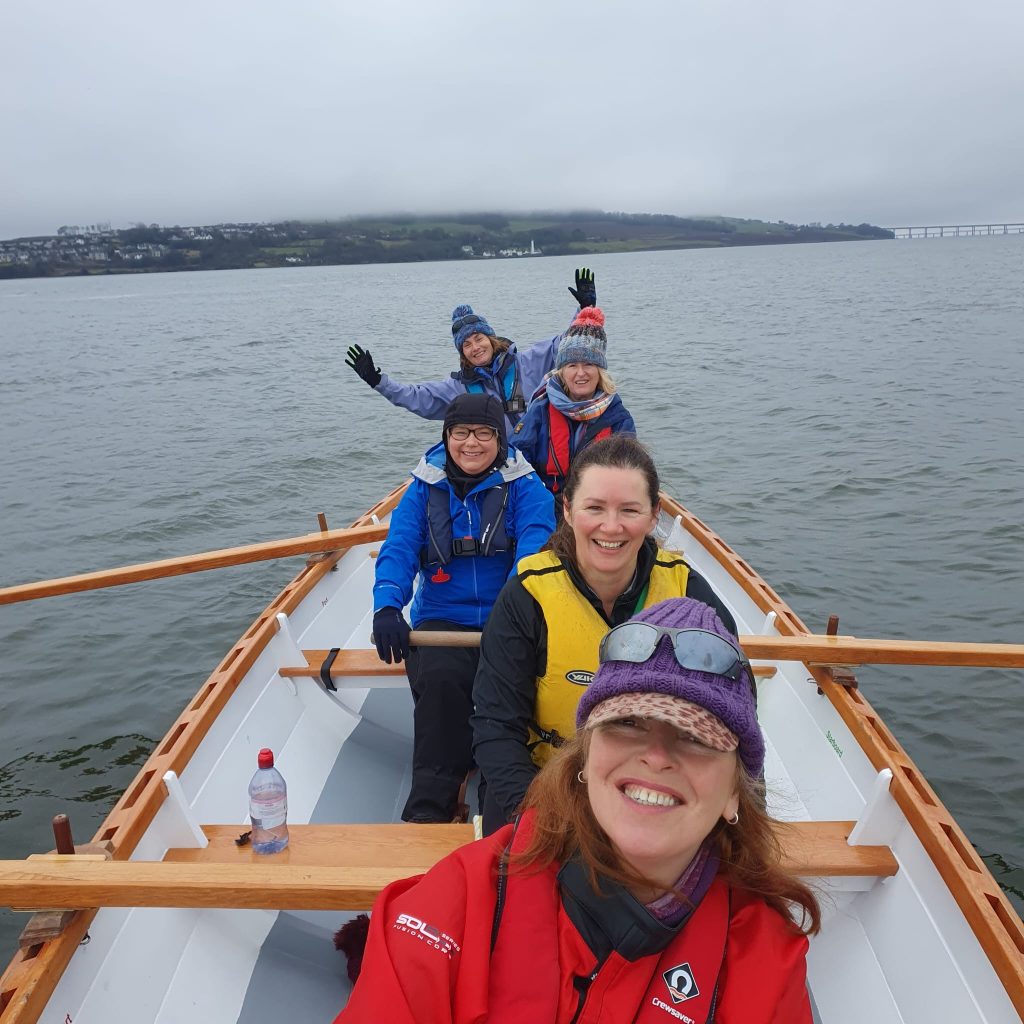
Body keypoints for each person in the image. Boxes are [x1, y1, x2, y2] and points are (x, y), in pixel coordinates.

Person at [335, 598, 820, 1023]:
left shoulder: (764, 963)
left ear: (736, 793)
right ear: (586, 758)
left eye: (695, 737)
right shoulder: (465, 895)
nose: (656, 757)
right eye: (626, 723)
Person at [471, 434, 738, 834]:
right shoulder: (526, 597)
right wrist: (544, 822)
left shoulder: (690, 596)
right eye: (594, 508)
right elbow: (495, 726)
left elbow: (734, 722)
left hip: (651, 787)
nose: (611, 527)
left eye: (629, 510)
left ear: (653, 515)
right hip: (547, 783)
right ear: (567, 509)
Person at [371, 393, 555, 823]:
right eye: (460, 432)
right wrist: (386, 607)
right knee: (439, 680)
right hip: (441, 618)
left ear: (500, 439)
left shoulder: (527, 489)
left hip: (507, 615)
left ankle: (504, 802)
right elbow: (398, 548)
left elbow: (532, 556)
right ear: (446, 435)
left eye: (484, 433)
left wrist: (510, 622)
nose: (471, 443)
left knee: (508, 690)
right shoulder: (421, 489)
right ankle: (430, 808)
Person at [343, 269, 598, 434]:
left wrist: (585, 309)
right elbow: (414, 397)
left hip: (542, 455)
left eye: (479, 338)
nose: (475, 347)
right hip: (499, 466)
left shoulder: (527, 362)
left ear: (491, 338)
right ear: (462, 353)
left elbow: (566, 344)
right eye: (467, 344)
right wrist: (377, 381)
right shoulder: (457, 389)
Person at [512, 305, 636, 496]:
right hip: (547, 504)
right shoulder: (541, 410)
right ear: (562, 372)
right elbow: (518, 460)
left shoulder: (618, 417)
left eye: (588, 364)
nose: (580, 373)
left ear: (600, 370)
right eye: (571, 365)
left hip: (597, 505)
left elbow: (628, 470)